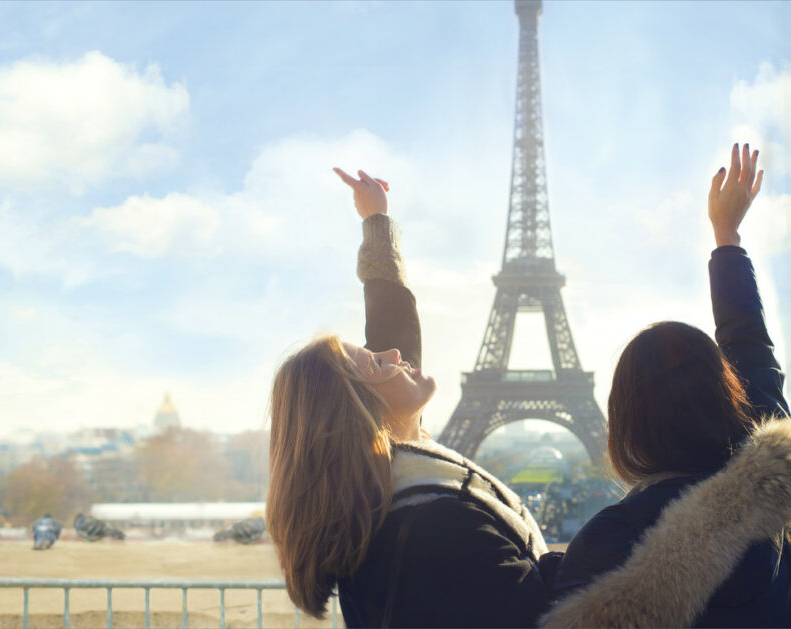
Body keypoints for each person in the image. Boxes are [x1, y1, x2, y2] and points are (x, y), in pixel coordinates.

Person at [266, 147, 791, 628]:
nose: (396, 354)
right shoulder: (436, 527)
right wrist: (727, 238)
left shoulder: (393, 502)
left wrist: (378, 227)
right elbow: (755, 363)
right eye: (375, 362)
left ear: (628, 423)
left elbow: (392, 342)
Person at [551, 143, 791, 626]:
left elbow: (752, 354)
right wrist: (727, 237)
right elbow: (752, 353)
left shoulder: (607, 544)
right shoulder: (774, 485)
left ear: (625, 422)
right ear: (727, 397)